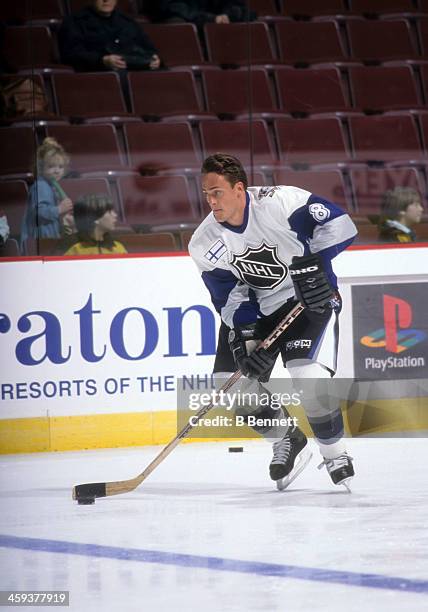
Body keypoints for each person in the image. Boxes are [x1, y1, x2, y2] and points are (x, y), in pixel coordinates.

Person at [189, 153, 358, 490]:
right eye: (206, 193)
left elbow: (342, 225)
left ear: (239, 189)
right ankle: (287, 439)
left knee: (308, 377)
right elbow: (227, 298)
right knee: (232, 383)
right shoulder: (204, 241)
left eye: (217, 192)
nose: (211, 201)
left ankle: (335, 454)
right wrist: (249, 337)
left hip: (309, 301)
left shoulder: (282, 203)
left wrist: (315, 264)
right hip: (259, 309)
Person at [58, 0, 161, 72]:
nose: (106, 0)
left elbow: (150, 49)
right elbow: (71, 55)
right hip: (98, 76)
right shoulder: (75, 22)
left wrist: (155, 60)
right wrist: (102, 60)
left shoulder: (128, 22)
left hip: (135, 72)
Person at [20, 137, 74, 251]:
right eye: (51, 166)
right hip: (40, 240)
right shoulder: (40, 186)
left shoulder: (50, 186)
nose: (57, 171)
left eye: (60, 167)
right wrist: (59, 209)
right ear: (40, 167)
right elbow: (38, 212)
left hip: (48, 237)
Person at [158, 1, 256, 28]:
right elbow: (172, 7)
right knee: (177, 24)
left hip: (217, 32)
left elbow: (237, 5)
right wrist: (211, 18)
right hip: (191, 21)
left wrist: (227, 15)